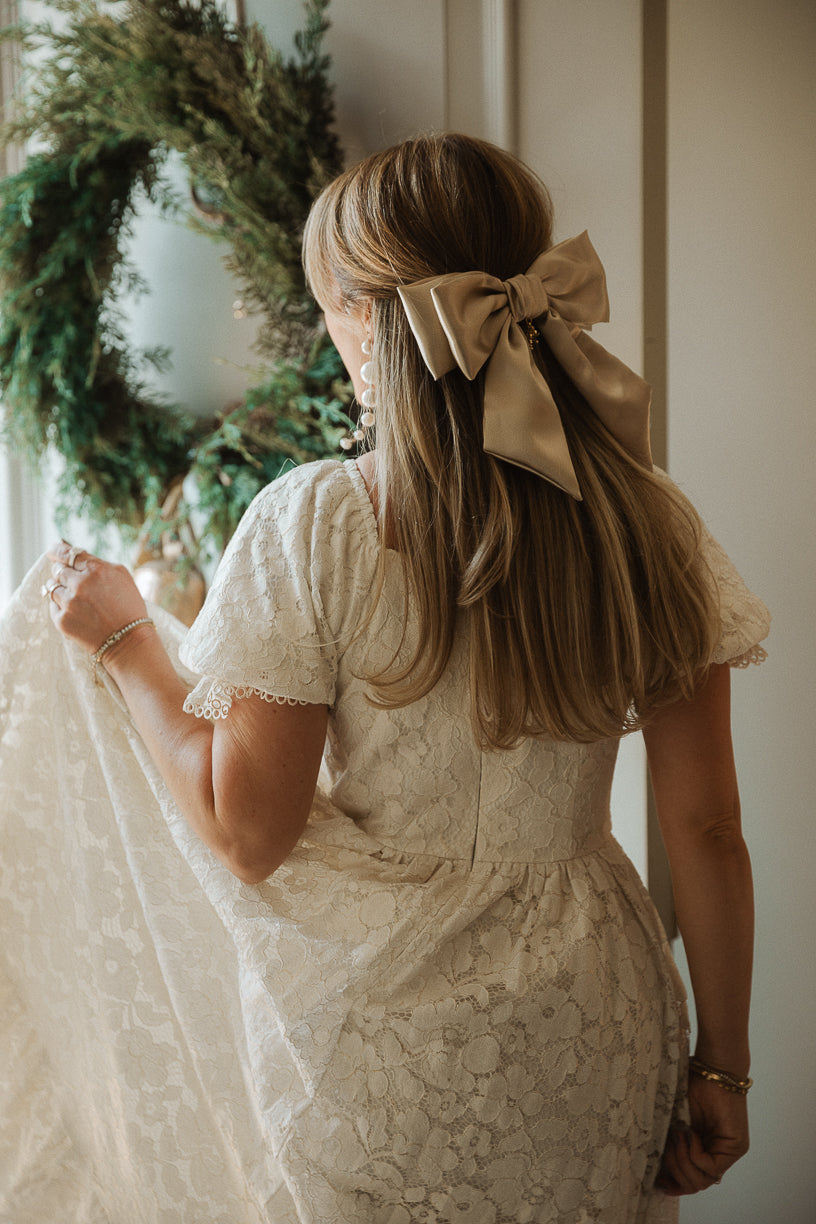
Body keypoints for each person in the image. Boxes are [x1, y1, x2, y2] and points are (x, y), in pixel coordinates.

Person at [0, 133, 769, 1223]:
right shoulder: (650, 525)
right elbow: (709, 832)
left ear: (366, 317)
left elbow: (244, 828)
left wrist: (128, 641)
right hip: (600, 1016)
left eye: (330, 304)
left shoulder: (321, 522)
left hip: (385, 1037)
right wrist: (722, 1068)